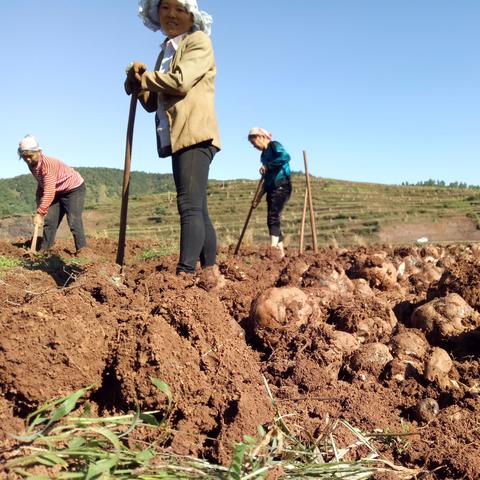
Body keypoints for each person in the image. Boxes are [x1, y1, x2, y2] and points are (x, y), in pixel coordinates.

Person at [125, 0, 223, 287]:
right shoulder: (165, 53)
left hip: (195, 132)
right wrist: (136, 83)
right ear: (157, 14)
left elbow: (180, 82)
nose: (171, 14)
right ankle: (209, 272)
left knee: (189, 205)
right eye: (165, 8)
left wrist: (146, 79)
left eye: (179, 9)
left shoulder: (198, 41)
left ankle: (185, 275)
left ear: (191, 16)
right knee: (198, 207)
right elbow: (153, 102)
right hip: (178, 135)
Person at [18, 134, 87, 254]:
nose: (28, 159)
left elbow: (49, 191)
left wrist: (40, 212)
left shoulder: (48, 165)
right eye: (24, 157)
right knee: (50, 221)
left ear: (39, 152)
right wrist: (39, 200)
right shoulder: (32, 165)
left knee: (74, 221)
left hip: (73, 189)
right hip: (56, 191)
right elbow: (42, 183)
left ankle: (83, 252)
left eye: (30, 156)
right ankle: (45, 252)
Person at [248, 127, 292, 258]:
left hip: (282, 185)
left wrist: (268, 166)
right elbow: (267, 181)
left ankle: (273, 248)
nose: (253, 146)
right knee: (272, 218)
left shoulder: (274, 146)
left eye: (253, 142)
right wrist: (258, 198)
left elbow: (285, 157)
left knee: (273, 216)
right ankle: (280, 252)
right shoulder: (263, 156)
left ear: (260, 137)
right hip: (272, 188)